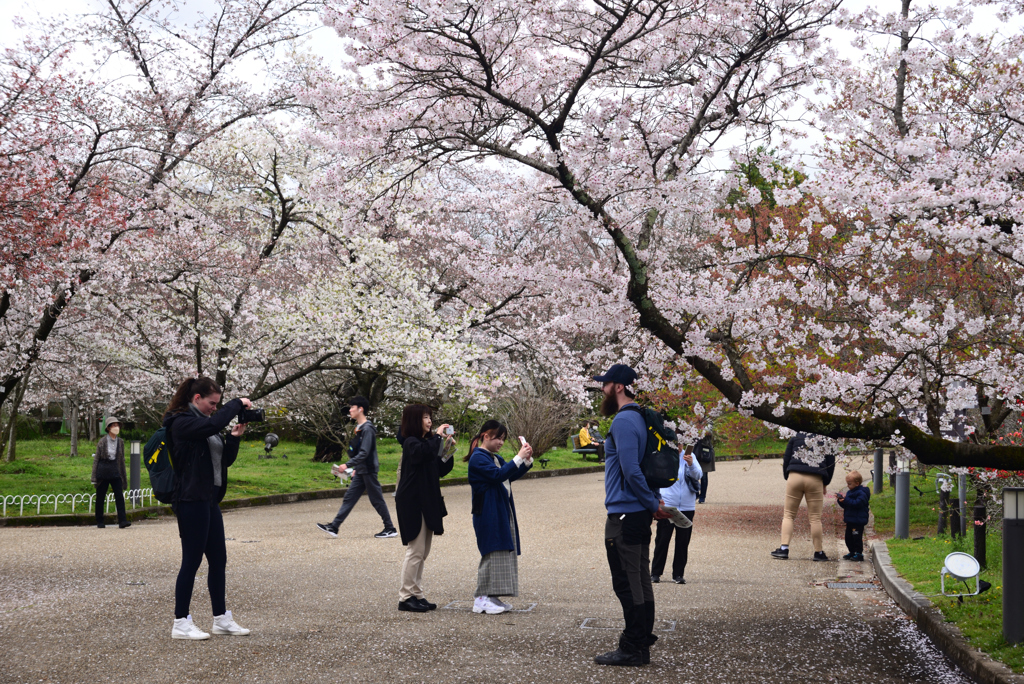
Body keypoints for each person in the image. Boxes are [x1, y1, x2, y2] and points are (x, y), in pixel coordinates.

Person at [592, 363, 670, 668]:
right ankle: (640, 643)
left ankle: (633, 645)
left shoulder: (624, 421)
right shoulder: (641, 417)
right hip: (637, 513)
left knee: (627, 581)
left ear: (619, 387)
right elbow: (646, 468)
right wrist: (653, 500)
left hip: (626, 514)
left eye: (606, 384)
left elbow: (631, 469)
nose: (602, 389)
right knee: (639, 579)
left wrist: (652, 505)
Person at [163, 376, 251, 640]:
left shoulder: (204, 425)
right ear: (196, 398)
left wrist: (234, 438)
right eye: (212, 403)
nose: (215, 408)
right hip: (191, 499)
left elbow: (223, 461)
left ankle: (221, 618)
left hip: (209, 499)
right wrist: (235, 404)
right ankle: (181, 621)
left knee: (219, 560)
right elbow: (215, 421)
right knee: (191, 560)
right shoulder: (181, 423)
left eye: (218, 404)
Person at [466, 420, 533, 615]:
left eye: (503, 439)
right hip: (487, 511)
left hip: (498, 509)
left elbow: (508, 475)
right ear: (486, 436)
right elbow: (498, 475)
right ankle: (481, 598)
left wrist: (526, 461)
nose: (501, 442)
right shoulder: (478, 458)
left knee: (501, 550)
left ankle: (491, 595)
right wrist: (518, 458)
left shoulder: (492, 457)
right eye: (498, 438)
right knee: (492, 551)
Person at [394, 404, 455, 613]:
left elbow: (442, 468)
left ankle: (417, 594)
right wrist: (437, 438)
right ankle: (405, 597)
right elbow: (421, 453)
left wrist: (447, 447)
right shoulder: (411, 443)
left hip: (426, 500)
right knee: (416, 550)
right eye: (425, 418)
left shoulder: (427, 443)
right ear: (413, 420)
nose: (430, 421)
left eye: (430, 417)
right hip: (413, 501)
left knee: (423, 551)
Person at [316, 396, 397, 539]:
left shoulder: (368, 429)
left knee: (376, 500)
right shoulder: (359, 428)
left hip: (369, 470)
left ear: (361, 409)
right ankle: (334, 526)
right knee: (349, 497)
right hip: (361, 470)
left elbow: (365, 452)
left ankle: (390, 528)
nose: (350, 410)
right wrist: (355, 469)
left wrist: (347, 465)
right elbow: (360, 452)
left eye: (352, 407)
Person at [771, 432, 836, 561]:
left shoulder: (796, 437)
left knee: (789, 515)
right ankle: (818, 552)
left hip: (794, 475)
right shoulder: (826, 439)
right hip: (815, 477)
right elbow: (831, 463)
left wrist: (788, 475)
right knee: (815, 518)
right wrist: (825, 482)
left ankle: (784, 549)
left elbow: (787, 458)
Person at [650, 442, 702, 584]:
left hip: (687, 505)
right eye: (675, 443)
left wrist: (691, 464)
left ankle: (678, 574)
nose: (678, 446)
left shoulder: (689, 455)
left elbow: (699, 474)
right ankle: (656, 572)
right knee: (662, 539)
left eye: (680, 443)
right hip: (668, 504)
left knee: (683, 541)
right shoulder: (664, 456)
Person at [92, 417, 130, 529]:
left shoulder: (121, 442)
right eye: (113, 425)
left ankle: (122, 520)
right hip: (103, 470)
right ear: (108, 428)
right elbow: (96, 460)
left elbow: (121, 460)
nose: (116, 427)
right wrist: (94, 477)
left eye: (117, 425)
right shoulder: (102, 441)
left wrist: (123, 476)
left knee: (119, 496)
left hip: (115, 470)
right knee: (100, 497)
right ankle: (99, 520)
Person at [836, 471, 870, 561]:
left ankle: (859, 553)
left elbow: (857, 504)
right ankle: (852, 551)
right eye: (847, 483)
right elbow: (847, 505)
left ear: (857, 483)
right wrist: (841, 501)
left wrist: (846, 500)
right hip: (850, 519)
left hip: (858, 520)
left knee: (856, 537)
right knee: (848, 537)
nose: (848, 485)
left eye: (849, 484)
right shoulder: (850, 492)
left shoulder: (861, 493)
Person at [694, 434, 715, 504]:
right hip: (695, 449)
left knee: (704, 476)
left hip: (705, 450)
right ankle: (696, 493)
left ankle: (702, 496)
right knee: (692, 474)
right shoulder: (693, 423)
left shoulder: (708, 423)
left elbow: (710, 433)